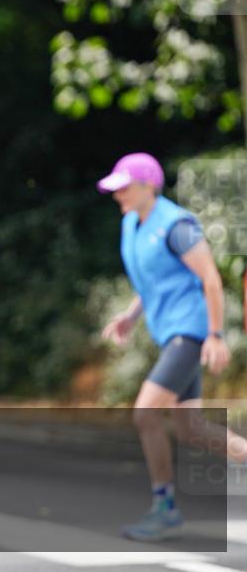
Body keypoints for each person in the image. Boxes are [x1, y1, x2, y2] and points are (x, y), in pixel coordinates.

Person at [98, 152, 247, 542]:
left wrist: (214, 336)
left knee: (145, 413)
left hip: (189, 332)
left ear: (149, 186)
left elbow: (211, 280)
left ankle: (164, 507)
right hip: (169, 332)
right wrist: (131, 316)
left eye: (124, 188)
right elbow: (151, 279)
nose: (118, 196)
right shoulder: (131, 223)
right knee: (190, 428)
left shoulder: (176, 225)